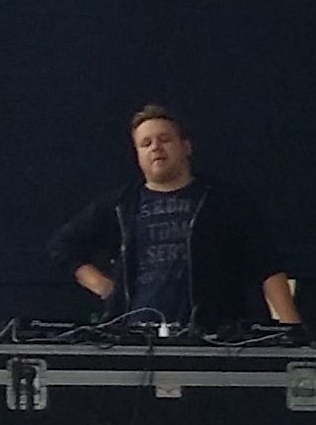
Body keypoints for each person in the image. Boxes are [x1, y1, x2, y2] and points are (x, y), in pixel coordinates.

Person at [46, 105, 300, 333]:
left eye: (164, 139)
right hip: (136, 337)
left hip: (212, 335)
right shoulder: (121, 204)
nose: (155, 147)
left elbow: (268, 265)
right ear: (138, 155)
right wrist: (104, 287)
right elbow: (63, 246)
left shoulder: (224, 200)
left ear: (186, 146)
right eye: (145, 143)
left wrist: (293, 329)